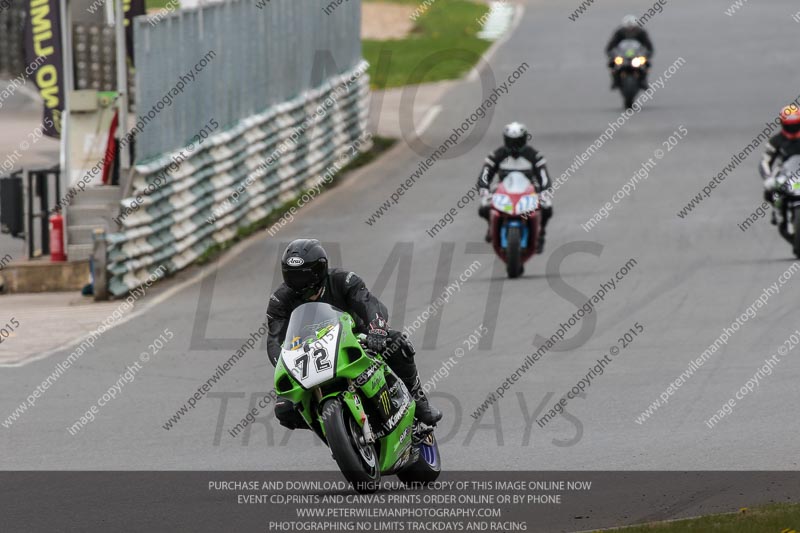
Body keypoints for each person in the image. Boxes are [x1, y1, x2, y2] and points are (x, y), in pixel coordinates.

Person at [268, 239, 442, 430]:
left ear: (319, 270)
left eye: (302, 276)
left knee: (397, 344)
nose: (297, 283)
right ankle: (334, 431)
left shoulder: (344, 280)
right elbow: (275, 339)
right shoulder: (280, 300)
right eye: (291, 276)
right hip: (309, 355)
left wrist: (377, 329)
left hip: (355, 338)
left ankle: (419, 400)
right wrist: (283, 362)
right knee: (284, 409)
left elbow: (368, 303)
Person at [477, 122, 553, 251]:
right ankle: (491, 227)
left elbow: (543, 175)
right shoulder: (497, 155)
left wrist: (545, 191)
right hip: (503, 191)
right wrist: (484, 188)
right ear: (505, 140)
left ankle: (541, 233)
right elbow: (485, 173)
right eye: (511, 142)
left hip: (529, 191)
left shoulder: (534, 155)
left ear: (524, 139)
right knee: (483, 207)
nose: (514, 146)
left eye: (517, 141)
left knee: (547, 207)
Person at [760, 105, 800, 224]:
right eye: (790, 125)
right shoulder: (776, 141)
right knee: (770, 189)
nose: (793, 128)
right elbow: (765, 161)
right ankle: (777, 211)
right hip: (787, 174)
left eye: (795, 124)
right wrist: (768, 177)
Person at [605, 15, 654, 90]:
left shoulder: (641, 33)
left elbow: (649, 46)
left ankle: (643, 80)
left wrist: (646, 55)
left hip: (636, 55)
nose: (630, 30)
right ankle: (615, 81)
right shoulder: (619, 33)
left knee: (646, 64)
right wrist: (612, 55)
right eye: (628, 28)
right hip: (623, 55)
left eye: (632, 28)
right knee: (612, 64)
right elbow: (610, 46)